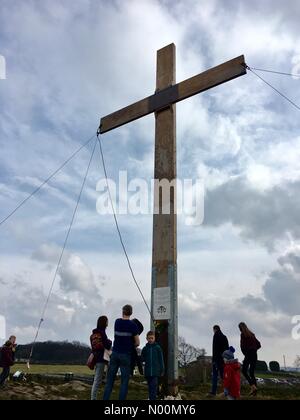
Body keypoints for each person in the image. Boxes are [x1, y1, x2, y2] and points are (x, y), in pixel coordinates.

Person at [103, 305, 140, 400]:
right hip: (126, 355)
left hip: (115, 353)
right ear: (131, 313)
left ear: (123, 311)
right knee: (124, 382)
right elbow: (138, 343)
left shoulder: (117, 322)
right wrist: (131, 345)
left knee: (110, 381)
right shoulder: (133, 325)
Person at [90, 316, 112, 400]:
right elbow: (107, 345)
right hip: (102, 358)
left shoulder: (93, 334)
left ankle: (94, 398)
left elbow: (93, 347)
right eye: (107, 321)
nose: (107, 323)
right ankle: (93, 398)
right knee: (97, 380)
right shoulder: (102, 332)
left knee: (97, 379)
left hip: (96, 358)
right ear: (104, 322)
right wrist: (110, 341)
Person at [239, 322, 261, 396]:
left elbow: (242, 347)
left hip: (248, 354)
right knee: (251, 373)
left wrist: (246, 354)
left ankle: (253, 386)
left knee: (244, 371)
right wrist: (254, 349)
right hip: (254, 354)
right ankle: (255, 393)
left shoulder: (242, 335)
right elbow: (259, 345)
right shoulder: (252, 334)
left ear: (240, 328)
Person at [141, 331, 164, 400]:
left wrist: (162, 369)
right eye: (149, 338)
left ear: (154, 338)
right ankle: (151, 398)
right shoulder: (145, 349)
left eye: (152, 338)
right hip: (148, 372)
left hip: (155, 372)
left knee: (154, 387)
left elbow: (161, 359)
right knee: (150, 388)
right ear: (146, 339)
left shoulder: (158, 348)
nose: (150, 339)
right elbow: (142, 358)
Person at [208, 325, 229, 397]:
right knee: (224, 376)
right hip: (223, 360)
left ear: (214, 329)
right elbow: (227, 349)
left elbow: (215, 349)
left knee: (215, 376)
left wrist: (214, 360)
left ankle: (213, 392)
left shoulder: (216, 336)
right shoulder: (224, 337)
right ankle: (227, 391)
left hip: (216, 359)